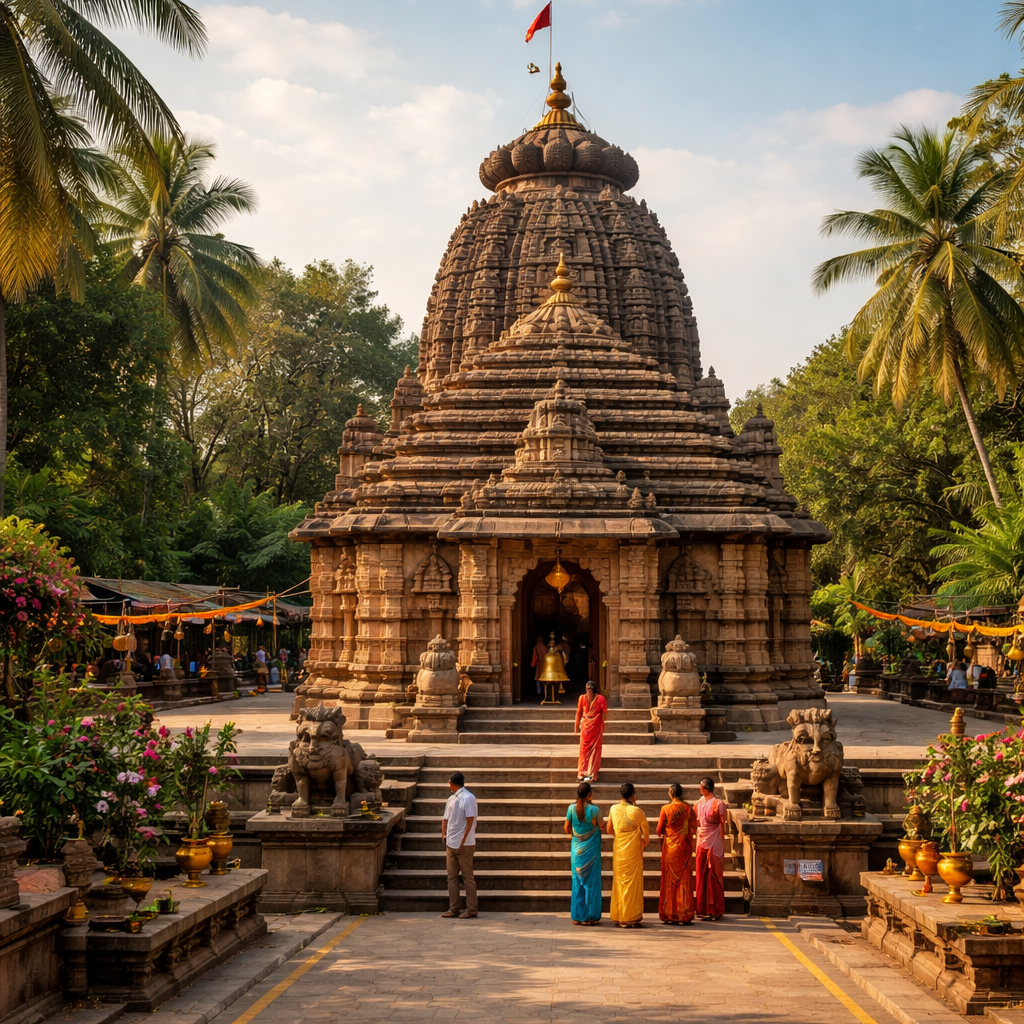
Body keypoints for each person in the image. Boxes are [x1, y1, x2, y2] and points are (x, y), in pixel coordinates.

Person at [606, 781, 649, 928]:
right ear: (633, 795)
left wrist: (619, 836)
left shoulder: (613, 809)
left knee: (619, 881)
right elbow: (646, 834)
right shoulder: (637, 811)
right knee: (632, 882)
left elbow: (609, 829)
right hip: (633, 849)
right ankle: (630, 915)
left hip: (619, 849)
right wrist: (642, 843)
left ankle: (619, 915)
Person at [564, 781, 603, 925]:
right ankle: (590, 915)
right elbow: (603, 827)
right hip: (591, 851)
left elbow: (566, 827)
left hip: (576, 850)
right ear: (589, 794)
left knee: (578, 882)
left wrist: (573, 835)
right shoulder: (595, 810)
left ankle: (577, 916)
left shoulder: (571, 809)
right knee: (591, 882)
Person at [656, 782, 696, 925]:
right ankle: (683, 913)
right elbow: (693, 827)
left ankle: (669, 912)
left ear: (671, 793)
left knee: (669, 880)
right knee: (683, 880)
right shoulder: (687, 809)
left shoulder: (665, 809)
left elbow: (659, 829)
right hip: (683, 848)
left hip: (670, 848)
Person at [441, 771, 478, 919]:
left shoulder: (468, 798)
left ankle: (472, 908)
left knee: (468, 877)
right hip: (451, 843)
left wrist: (463, 840)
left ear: (451, 782)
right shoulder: (451, 799)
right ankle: (454, 908)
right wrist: (444, 834)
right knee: (452, 878)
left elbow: (470, 820)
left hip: (465, 844)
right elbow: (445, 819)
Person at [696, 777, 728, 921]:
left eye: (701, 786)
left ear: (706, 789)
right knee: (701, 875)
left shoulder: (718, 804)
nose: (699, 789)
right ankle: (702, 908)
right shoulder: (697, 804)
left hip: (715, 840)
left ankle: (715, 909)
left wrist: (722, 840)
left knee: (714, 875)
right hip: (702, 839)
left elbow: (722, 825)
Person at [574, 681, 608, 782]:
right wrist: (576, 726)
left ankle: (593, 774)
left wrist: (602, 723)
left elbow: (604, 712)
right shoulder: (582, 698)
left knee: (595, 751)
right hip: (585, 729)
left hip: (596, 728)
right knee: (584, 750)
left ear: (594, 691)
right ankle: (582, 773)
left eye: (590, 691)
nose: (589, 693)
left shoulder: (600, 699)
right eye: (587, 690)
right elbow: (579, 712)